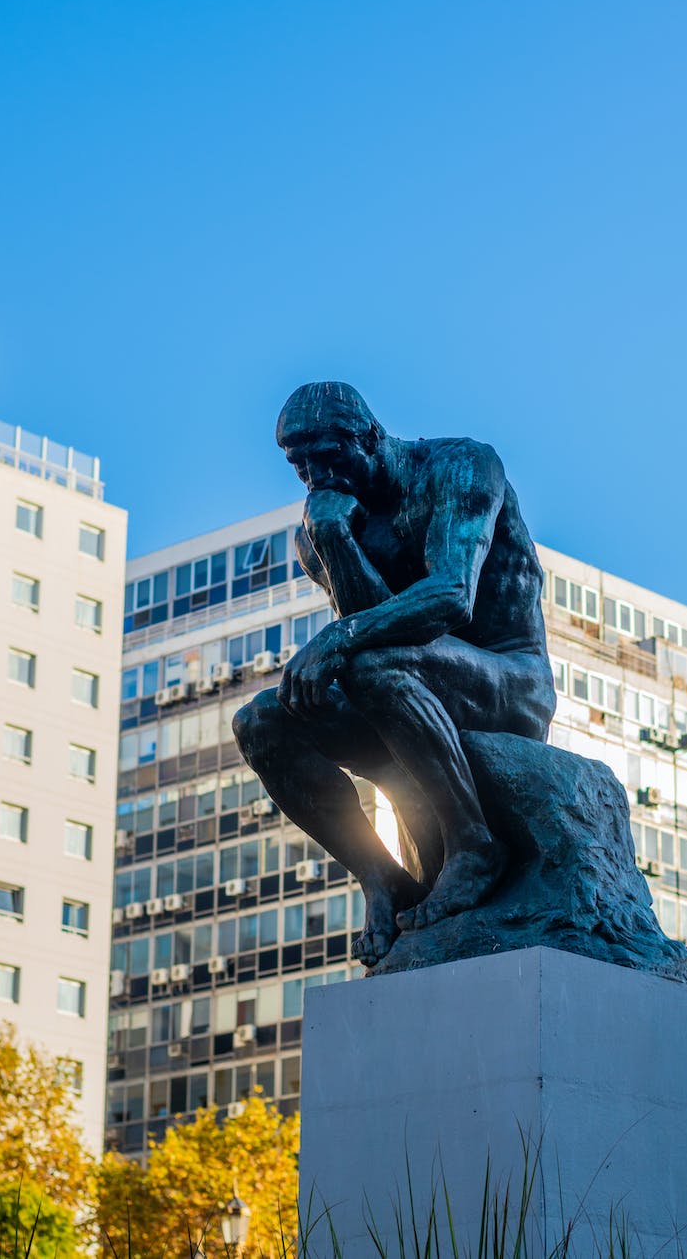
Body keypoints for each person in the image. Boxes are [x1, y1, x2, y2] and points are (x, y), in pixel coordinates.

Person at [233, 381, 555, 967]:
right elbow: (366, 623)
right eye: (298, 463)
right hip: (404, 685)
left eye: (327, 456)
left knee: (373, 659)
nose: (313, 474)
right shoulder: (321, 529)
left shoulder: (460, 466)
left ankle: (473, 844)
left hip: (507, 680)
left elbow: (453, 595)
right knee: (260, 721)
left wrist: (339, 637)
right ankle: (382, 879)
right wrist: (335, 539)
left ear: (370, 437)